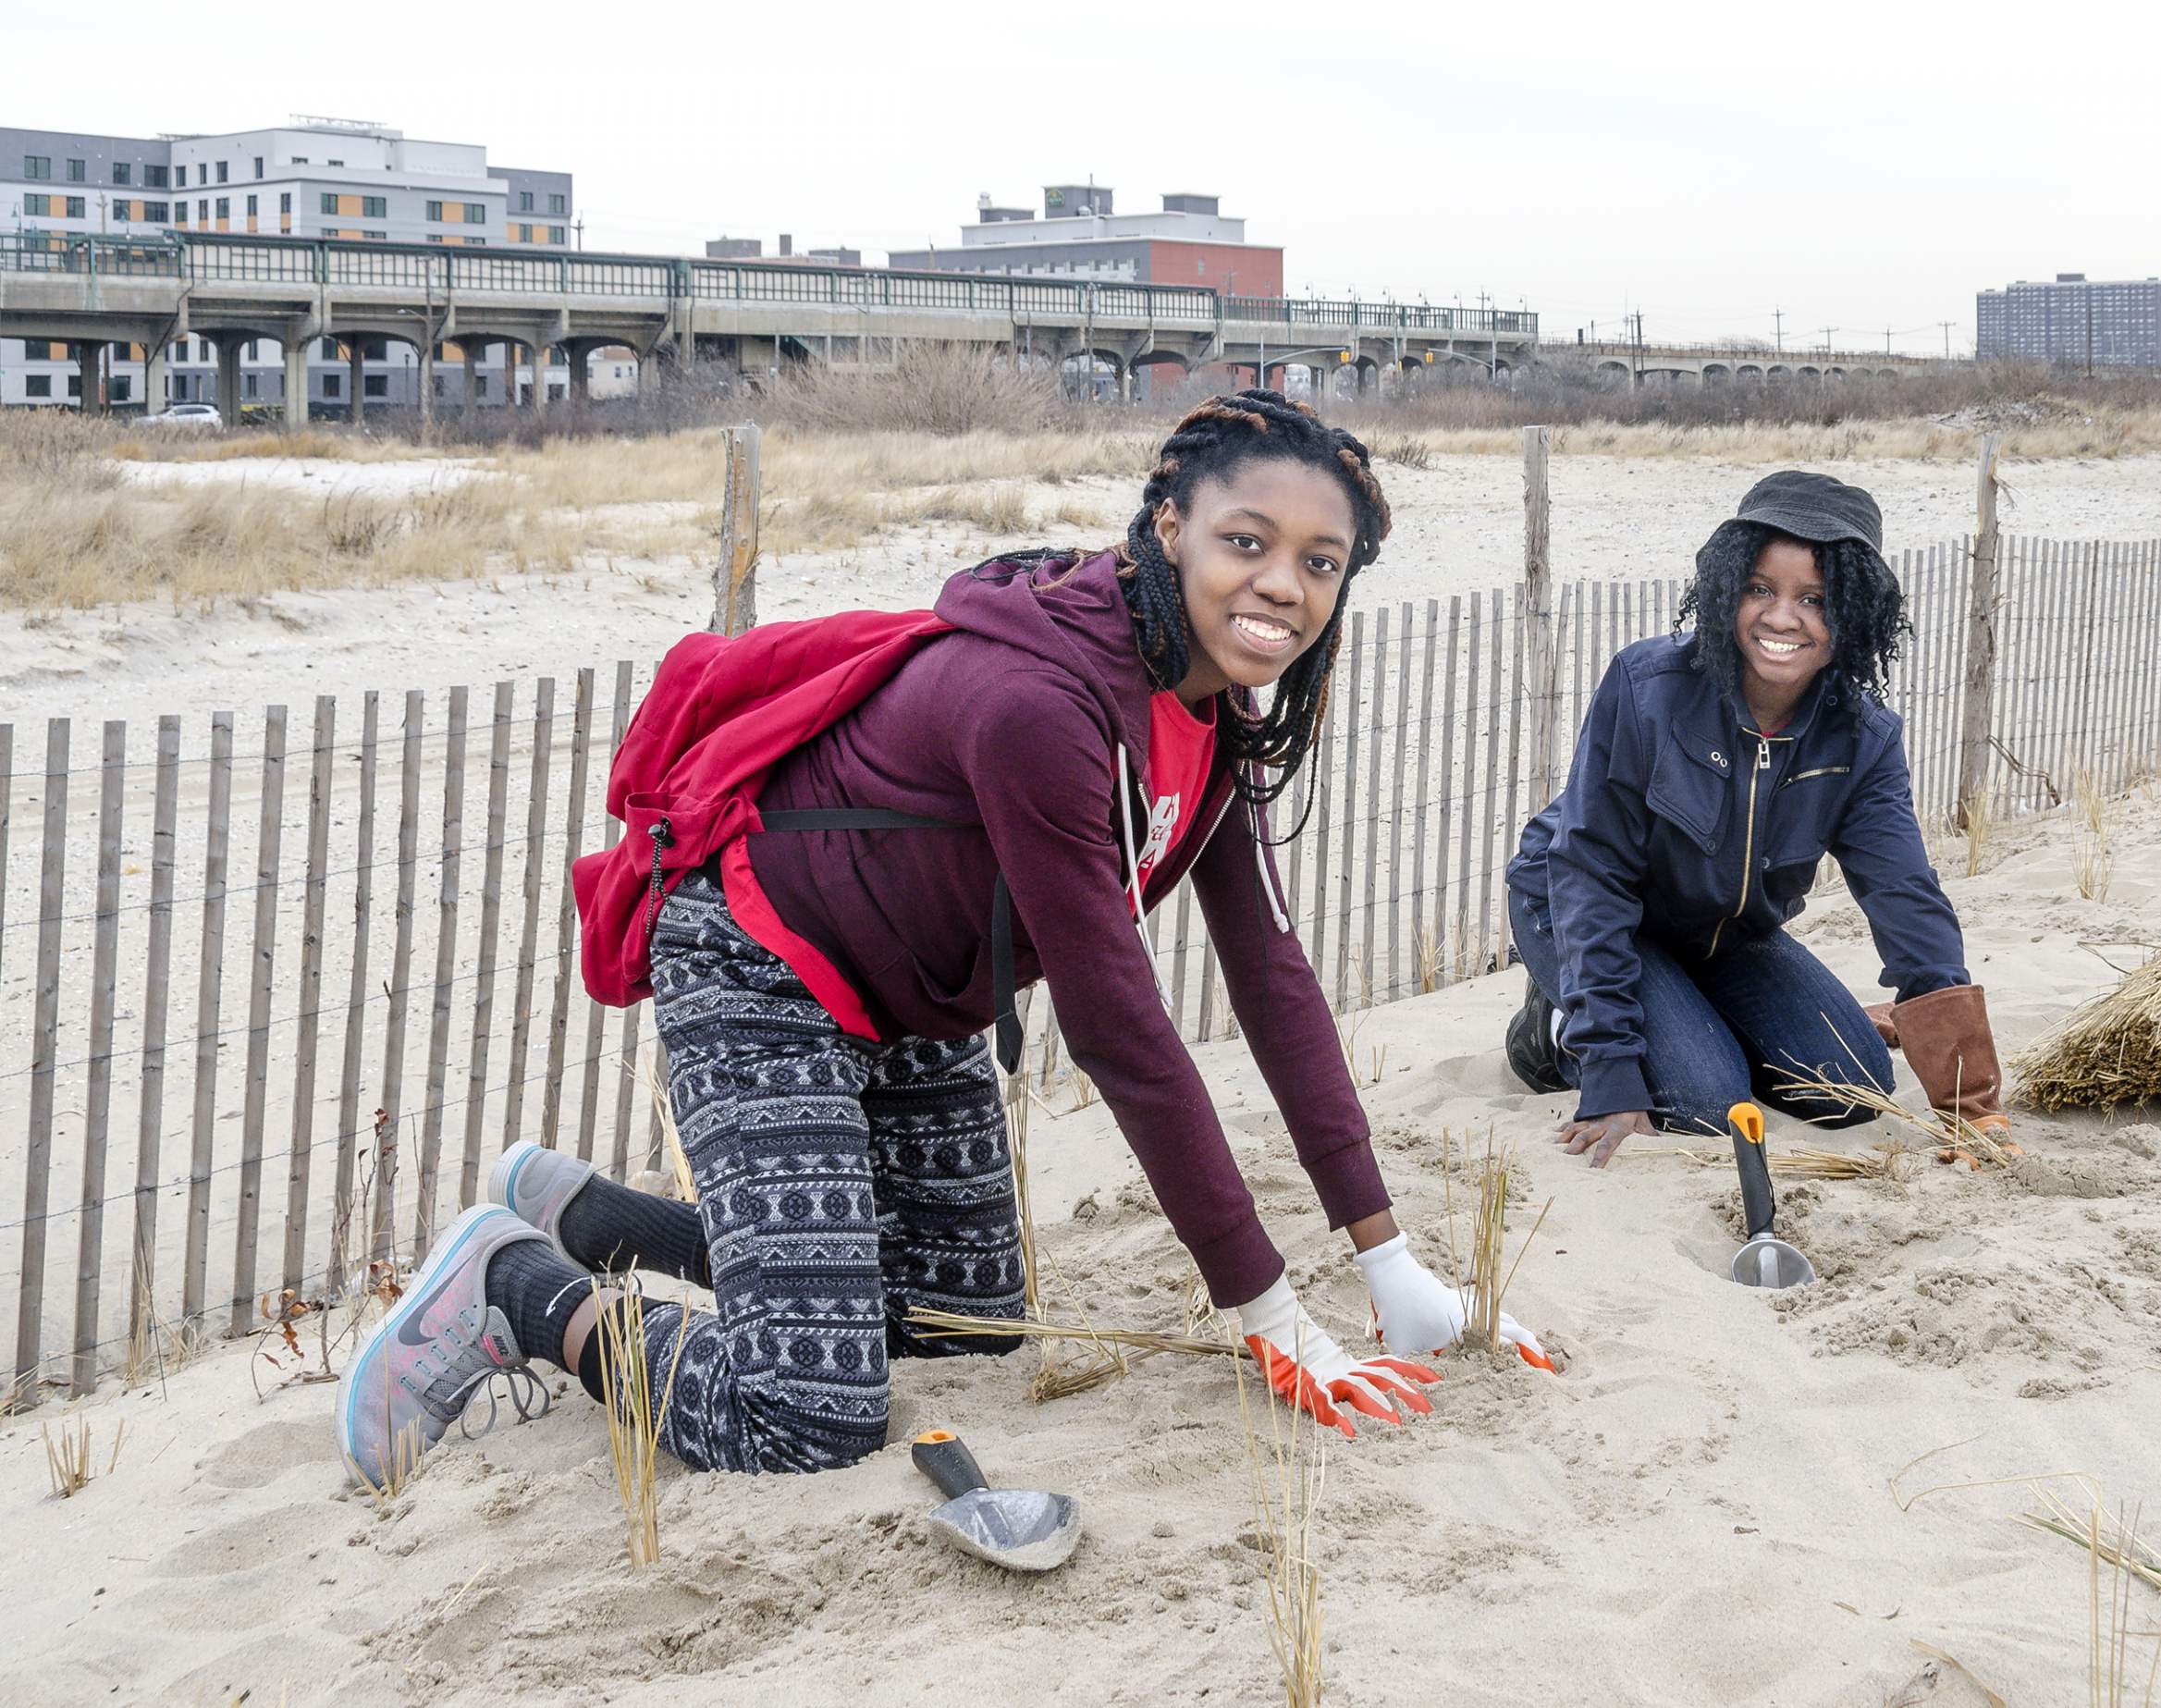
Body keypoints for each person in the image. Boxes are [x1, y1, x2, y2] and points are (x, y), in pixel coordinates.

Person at [338, 391, 1550, 1487]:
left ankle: (597, 1219)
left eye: (1319, 561)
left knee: (961, 1318)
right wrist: (1269, 1308)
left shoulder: (1216, 712)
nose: (1281, 583)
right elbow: (1124, 1034)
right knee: (808, 1410)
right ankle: (518, 1283)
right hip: (762, 952)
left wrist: (1390, 1266)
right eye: (1249, 540)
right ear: (1172, 524)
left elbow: (1273, 978)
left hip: (912, 995)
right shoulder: (1043, 707)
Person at [1502, 471, 2010, 1168]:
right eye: (1760, 589)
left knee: (1852, 1086)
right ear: (1728, 587)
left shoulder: (1864, 739)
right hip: (1576, 907)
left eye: (1815, 600)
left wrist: (1970, 1106)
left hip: (1723, 934)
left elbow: (1906, 897)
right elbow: (1590, 871)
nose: (1781, 618)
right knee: (1705, 1103)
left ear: (1855, 614)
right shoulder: (1647, 688)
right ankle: (1555, 1025)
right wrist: (1611, 1068)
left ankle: (1689, 1018)